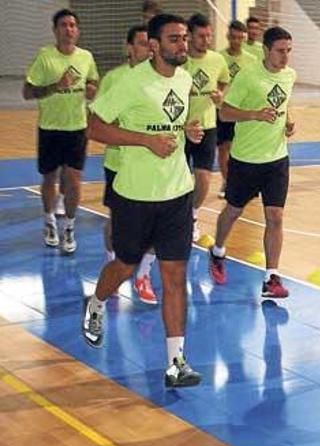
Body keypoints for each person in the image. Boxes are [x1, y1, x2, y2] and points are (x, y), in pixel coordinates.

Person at [83, 13, 204, 388]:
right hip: (135, 195)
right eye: (174, 39)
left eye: (184, 38)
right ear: (153, 45)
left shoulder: (185, 80)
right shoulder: (130, 82)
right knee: (124, 266)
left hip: (177, 193)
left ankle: (176, 362)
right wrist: (144, 140)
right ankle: (97, 303)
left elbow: (171, 122)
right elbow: (95, 126)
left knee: (174, 275)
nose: (183, 45)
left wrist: (187, 130)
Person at [207, 27, 296, 298]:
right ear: (266, 50)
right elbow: (226, 112)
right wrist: (255, 114)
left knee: (276, 216)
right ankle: (218, 250)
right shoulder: (247, 76)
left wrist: (288, 120)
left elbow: (282, 104)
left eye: (289, 51)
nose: (285, 57)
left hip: (277, 159)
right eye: (280, 51)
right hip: (246, 159)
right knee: (233, 210)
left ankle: (272, 278)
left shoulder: (290, 76)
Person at [23, 8, 99, 255]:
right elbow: (27, 92)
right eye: (64, 25)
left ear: (78, 30)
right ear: (55, 30)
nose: (69, 29)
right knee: (49, 178)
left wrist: (90, 88)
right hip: (50, 129)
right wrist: (56, 86)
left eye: (73, 25)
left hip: (77, 128)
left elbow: (93, 81)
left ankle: (69, 227)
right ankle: (49, 221)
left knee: (74, 181)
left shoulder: (86, 57)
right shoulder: (45, 57)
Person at [97, 24, 159, 305]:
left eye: (150, 43)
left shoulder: (162, 78)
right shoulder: (115, 79)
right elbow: (99, 122)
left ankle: (143, 274)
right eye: (142, 43)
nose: (148, 49)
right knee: (117, 224)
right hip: (119, 163)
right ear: (130, 48)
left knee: (158, 226)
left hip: (154, 166)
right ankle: (112, 266)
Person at [184, 13, 230, 241]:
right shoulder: (180, 61)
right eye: (201, 36)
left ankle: (192, 216)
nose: (206, 40)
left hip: (207, 126)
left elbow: (224, 79)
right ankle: (175, 217)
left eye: (209, 36)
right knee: (178, 181)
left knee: (203, 178)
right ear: (189, 36)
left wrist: (221, 93)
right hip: (180, 128)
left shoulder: (216, 60)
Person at [217, 20, 258, 198]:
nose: (236, 41)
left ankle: (247, 182)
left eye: (240, 38)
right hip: (224, 110)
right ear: (228, 36)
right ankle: (228, 181)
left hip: (244, 111)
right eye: (233, 37)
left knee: (243, 146)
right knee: (224, 147)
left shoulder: (251, 60)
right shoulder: (219, 58)